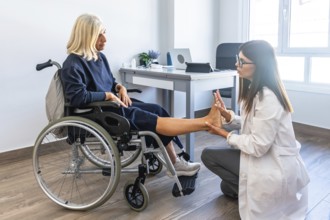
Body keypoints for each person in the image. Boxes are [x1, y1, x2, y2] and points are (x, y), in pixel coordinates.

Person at [60, 13, 220, 177]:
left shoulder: (99, 58)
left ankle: (176, 160)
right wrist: (108, 95)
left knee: (156, 109)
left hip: (114, 106)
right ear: (87, 37)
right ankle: (203, 124)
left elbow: (110, 82)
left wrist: (120, 87)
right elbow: (78, 98)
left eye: (104, 32)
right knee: (152, 120)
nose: (105, 39)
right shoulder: (72, 64)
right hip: (102, 114)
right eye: (99, 34)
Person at [201, 40, 310, 219]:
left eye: (242, 61)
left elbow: (258, 146)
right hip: (265, 157)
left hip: (273, 165)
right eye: (238, 59)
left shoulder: (268, 96)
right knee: (225, 187)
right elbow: (252, 123)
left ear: (259, 66)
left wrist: (223, 133)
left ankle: (256, 193)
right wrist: (228, 116)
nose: (236, 64)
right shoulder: (255, 90)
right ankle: (246, 190)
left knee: (216, 168)